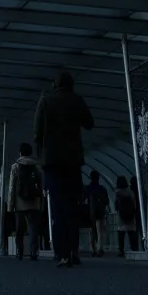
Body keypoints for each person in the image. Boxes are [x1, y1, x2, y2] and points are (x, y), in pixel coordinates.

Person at [32, 70, 93, 267]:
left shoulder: (45, 101)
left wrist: (41, 154)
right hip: (73, 162)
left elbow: (37, 132)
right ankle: (74, 250)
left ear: (55, 84)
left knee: (58, 209)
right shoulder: (77, 100)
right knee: (72, 206)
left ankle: (62, 252)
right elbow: (89, 124)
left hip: (52, 162)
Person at [7, 142, 46, 259]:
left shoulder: (15, 166)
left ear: (20, 153)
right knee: (33, 228)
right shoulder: (37, 167)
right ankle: (34, 252)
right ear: (30, 153)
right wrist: (41, 203)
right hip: (34, 201)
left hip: (19, 202)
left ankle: (19, 250)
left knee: (20, 228)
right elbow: (42, 186)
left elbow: (12, 188)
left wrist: (10, 205)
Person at [84, 170, 111, 256]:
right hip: (100, 211)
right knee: (100, 231)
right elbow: (106, 201)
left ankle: (92, 249)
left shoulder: (88, 188)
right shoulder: (102, 189)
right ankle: (100, 248)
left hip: (91, 211)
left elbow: (84, 199)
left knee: (92, 231)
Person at [113, 175, 141, 252]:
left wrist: (117, 210)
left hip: (121, 214)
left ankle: (121, 249)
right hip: (130, 213)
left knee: (121, 231)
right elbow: (134, 203)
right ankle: (134, 248)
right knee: (131, 231)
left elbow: (116, 204)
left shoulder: (117, 192)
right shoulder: (130, 192)